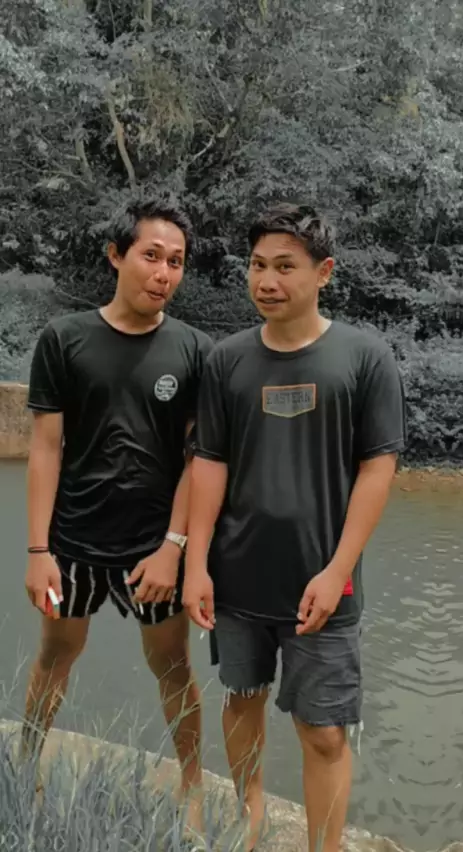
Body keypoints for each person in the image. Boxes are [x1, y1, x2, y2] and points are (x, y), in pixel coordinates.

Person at [182, 203, 407, 852]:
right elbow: (209, 464)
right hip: (236, 578)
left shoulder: (364, 357)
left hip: (323, 584)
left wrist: (338, 570)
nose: (267, 281)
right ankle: (249, 816)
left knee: (325, 731)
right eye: (257, 266)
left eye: (285, 267)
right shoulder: (227, 360)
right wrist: (196, 565)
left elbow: (378, 467)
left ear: (324, 272)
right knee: (241, 699)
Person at [23, 195, 213, 832]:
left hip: (152, 547)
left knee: (172, 664)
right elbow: (46, 449)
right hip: (72, 541)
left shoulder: (194, 349)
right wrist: (37, 551)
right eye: (151, 255)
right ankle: (25, 763)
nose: (163, 273)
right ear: (116, 255)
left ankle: (192, 783)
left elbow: (198, 458)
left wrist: (173, 547)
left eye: (176, 262)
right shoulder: (64, 339)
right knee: (56, 654)